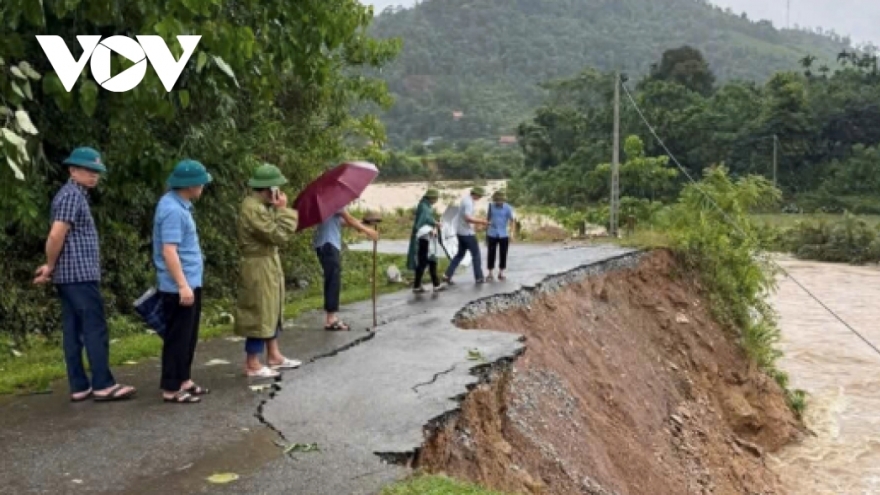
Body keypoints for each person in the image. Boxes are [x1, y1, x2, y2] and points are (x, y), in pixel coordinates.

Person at [33, 147, 137, 403]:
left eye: (97, 171)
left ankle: (79, 385)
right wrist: (49, 264)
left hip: (71, 276)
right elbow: (57, 234)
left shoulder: (75, 195)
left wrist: (51, 267)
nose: (94, 176)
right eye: (89, 171)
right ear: (73, 170)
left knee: (74, 330)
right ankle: (103, 383)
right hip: (78, 276)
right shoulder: (71, 196)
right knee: (94, 328)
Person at [233, 164, 302, 378]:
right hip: (257, 266)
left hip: (268, 263)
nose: (280, 193)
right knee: (259, 312)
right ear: (269, 188)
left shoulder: (262, 206)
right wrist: (284, 210)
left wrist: (275, 209)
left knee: (272, 309)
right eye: (277, 189)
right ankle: (252, 362)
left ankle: (274, 355)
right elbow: (278, 235)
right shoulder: (252, 208)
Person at [152, 159, 212, 404]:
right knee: (177, 336)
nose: (203, 187)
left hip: (190, 281)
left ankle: (184, 378)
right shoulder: (173, 210)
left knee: (189, 334)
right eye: (201, 183)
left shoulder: (181, 205)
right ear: (191, 185)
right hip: (179, 285)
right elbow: (169, 251)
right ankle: (171, 387)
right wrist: (182, 285)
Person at [314, 209, 378, 331]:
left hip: (324, 244)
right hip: (329, 244)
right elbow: (349, 219)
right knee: (333, 280)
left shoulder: (329, 203)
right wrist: (368, 231)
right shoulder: (335, 201)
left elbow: (341, 222)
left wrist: (361, 223)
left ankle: (331, 316)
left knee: (332, 279)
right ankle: (331, 319)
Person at [443, 186, 490, 285]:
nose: (480, 198)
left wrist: (477, 221)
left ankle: (447, 275)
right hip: (467, 233)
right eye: (480, 196)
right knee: (476, 254)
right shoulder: (469, 203)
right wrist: (482, 222)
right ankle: (479, 277)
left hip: (460, 232)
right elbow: (468, 218)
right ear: (476, 194)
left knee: (460, 254)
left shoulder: (466, 200)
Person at [406, 188, 447, 293]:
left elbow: (427, 219)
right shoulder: (424, 207)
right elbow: (420, 225)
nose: (436, 200)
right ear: (431, 198)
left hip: (428, 238)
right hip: (423, 239)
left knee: (431, 261)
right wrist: (431, 229)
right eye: (435, 198)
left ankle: (433, 284)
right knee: (423, 262)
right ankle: (418, 286)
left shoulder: (426, 206)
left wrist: (434, 223)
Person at [486, 190, 516, 281]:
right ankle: (490, 273)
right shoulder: (491, 206)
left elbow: (512, 221)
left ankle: (501, 272)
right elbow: (488, 219)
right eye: (497, 200)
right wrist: (486, 232)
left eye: (500, 200)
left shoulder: (508, 208)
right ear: (494, 200)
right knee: (491, 253)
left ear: (503, 200)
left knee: (503, 253)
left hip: (503, 234)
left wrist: (512, 233)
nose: (498, 202)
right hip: (492, 233)